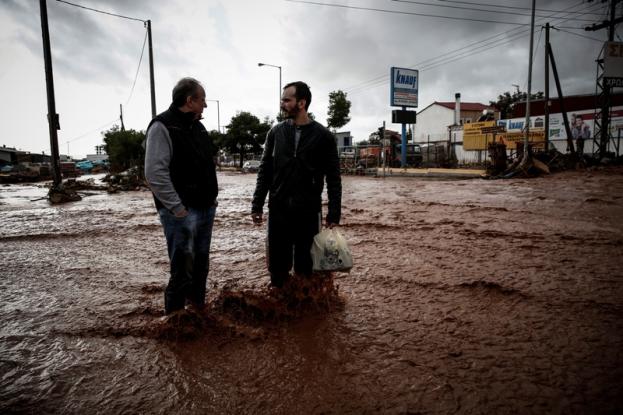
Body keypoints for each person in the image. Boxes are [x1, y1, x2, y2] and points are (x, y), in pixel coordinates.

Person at [251, 81, 342, 288]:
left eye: (286, 100)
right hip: (278, 209)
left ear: (301, 103)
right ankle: (281, 313)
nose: (282, 104)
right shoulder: (275, 133)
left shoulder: (323, 136)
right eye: (282, 100)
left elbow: (334, 178)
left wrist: (334, 213)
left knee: (306, 268)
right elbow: (265, 170)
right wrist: (257, 204)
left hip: (308, 212)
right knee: (277, 269)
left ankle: (308, 315)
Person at [144, 77, 218, 315]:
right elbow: (154, 173)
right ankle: (175, 323)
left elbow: (206, 164)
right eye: (202, 99)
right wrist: (177, 208)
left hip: (205, 208)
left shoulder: (198, 127)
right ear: (190, 100)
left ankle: (197, 313)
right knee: (182, 270)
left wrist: (211, 199)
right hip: (181, 212)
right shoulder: (162, 126)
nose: (205, 105)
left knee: (200, 267)